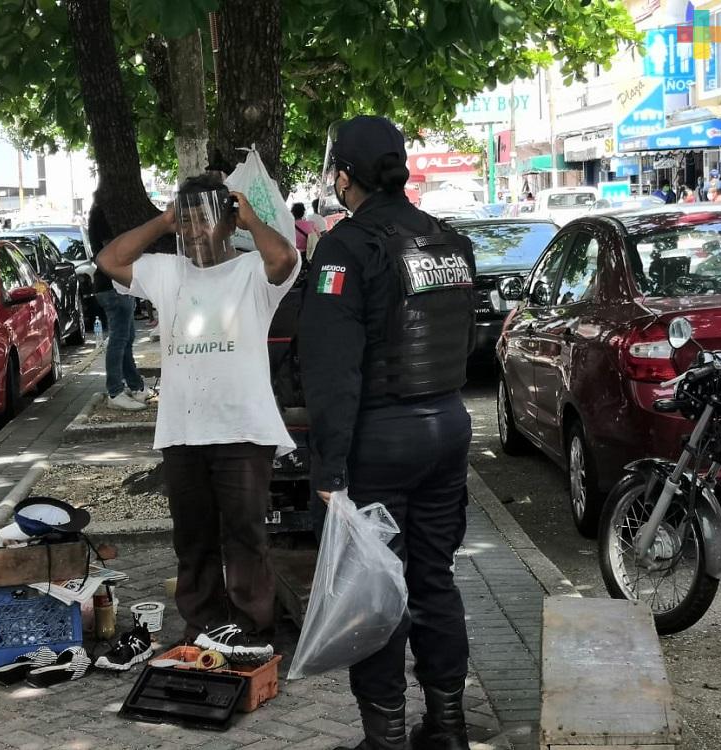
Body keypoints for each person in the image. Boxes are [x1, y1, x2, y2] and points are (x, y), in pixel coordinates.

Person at [299, 115, 476, 750]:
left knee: (376, 589)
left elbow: (330, 369)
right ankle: (449, 726)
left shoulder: (345, 248)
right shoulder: (450, 242)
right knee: (434, 578)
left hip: (379, 442)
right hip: (449, 429)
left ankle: (387, 738)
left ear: (345, 176)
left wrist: (330, 468)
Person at [96, 174, 299, 661]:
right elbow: (110, 260)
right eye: (183, 222)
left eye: (201, 219)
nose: (191, 231)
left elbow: (285, 259)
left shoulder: (252, 270)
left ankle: (251, 629)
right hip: (184, 429)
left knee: (246, 535)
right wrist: (165, 219)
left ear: (229, 221)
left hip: (244, 428)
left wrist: (247, 215)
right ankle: (204, 625)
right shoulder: (168, 272)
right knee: (193, 537)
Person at [87, 191, 148, 411]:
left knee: (126, 337)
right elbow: (116, 251)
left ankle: (136, 385)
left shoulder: (101, 212)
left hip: (116, 284)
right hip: (111, 285)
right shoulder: (103, 214)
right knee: (120, 338)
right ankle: (115, 390)